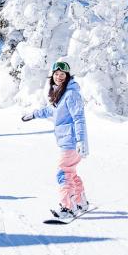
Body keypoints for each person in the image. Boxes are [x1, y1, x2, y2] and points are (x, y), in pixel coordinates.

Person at [21, 61, 89, 219]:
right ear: (53, 76)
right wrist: (34, 114)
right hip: (69, 141)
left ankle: (68, 207)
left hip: (72, 141)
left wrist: (80, 141)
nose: (59, 77)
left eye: (62, 74)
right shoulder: (62, 94)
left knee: (63, 173)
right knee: (70, 172)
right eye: (56, 74)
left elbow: (79, 119)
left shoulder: (71, 94)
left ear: (67, 76)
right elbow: (50, 110)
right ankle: (80, 201)